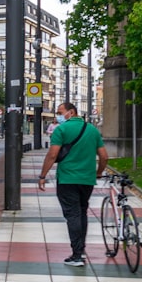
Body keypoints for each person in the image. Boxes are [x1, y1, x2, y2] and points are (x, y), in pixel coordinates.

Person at [38, 102, 108, 266]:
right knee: (82, 212)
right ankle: (80, 250)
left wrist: (42, 175)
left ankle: (77, 255)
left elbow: (52, 154)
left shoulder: (61, 130)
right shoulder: (92, 129)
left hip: (67, 179)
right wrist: (98, 172)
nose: (58, 116)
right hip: (87, 180)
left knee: (73, 215)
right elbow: (104, 157)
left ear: (71, 112)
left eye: (60, 112)